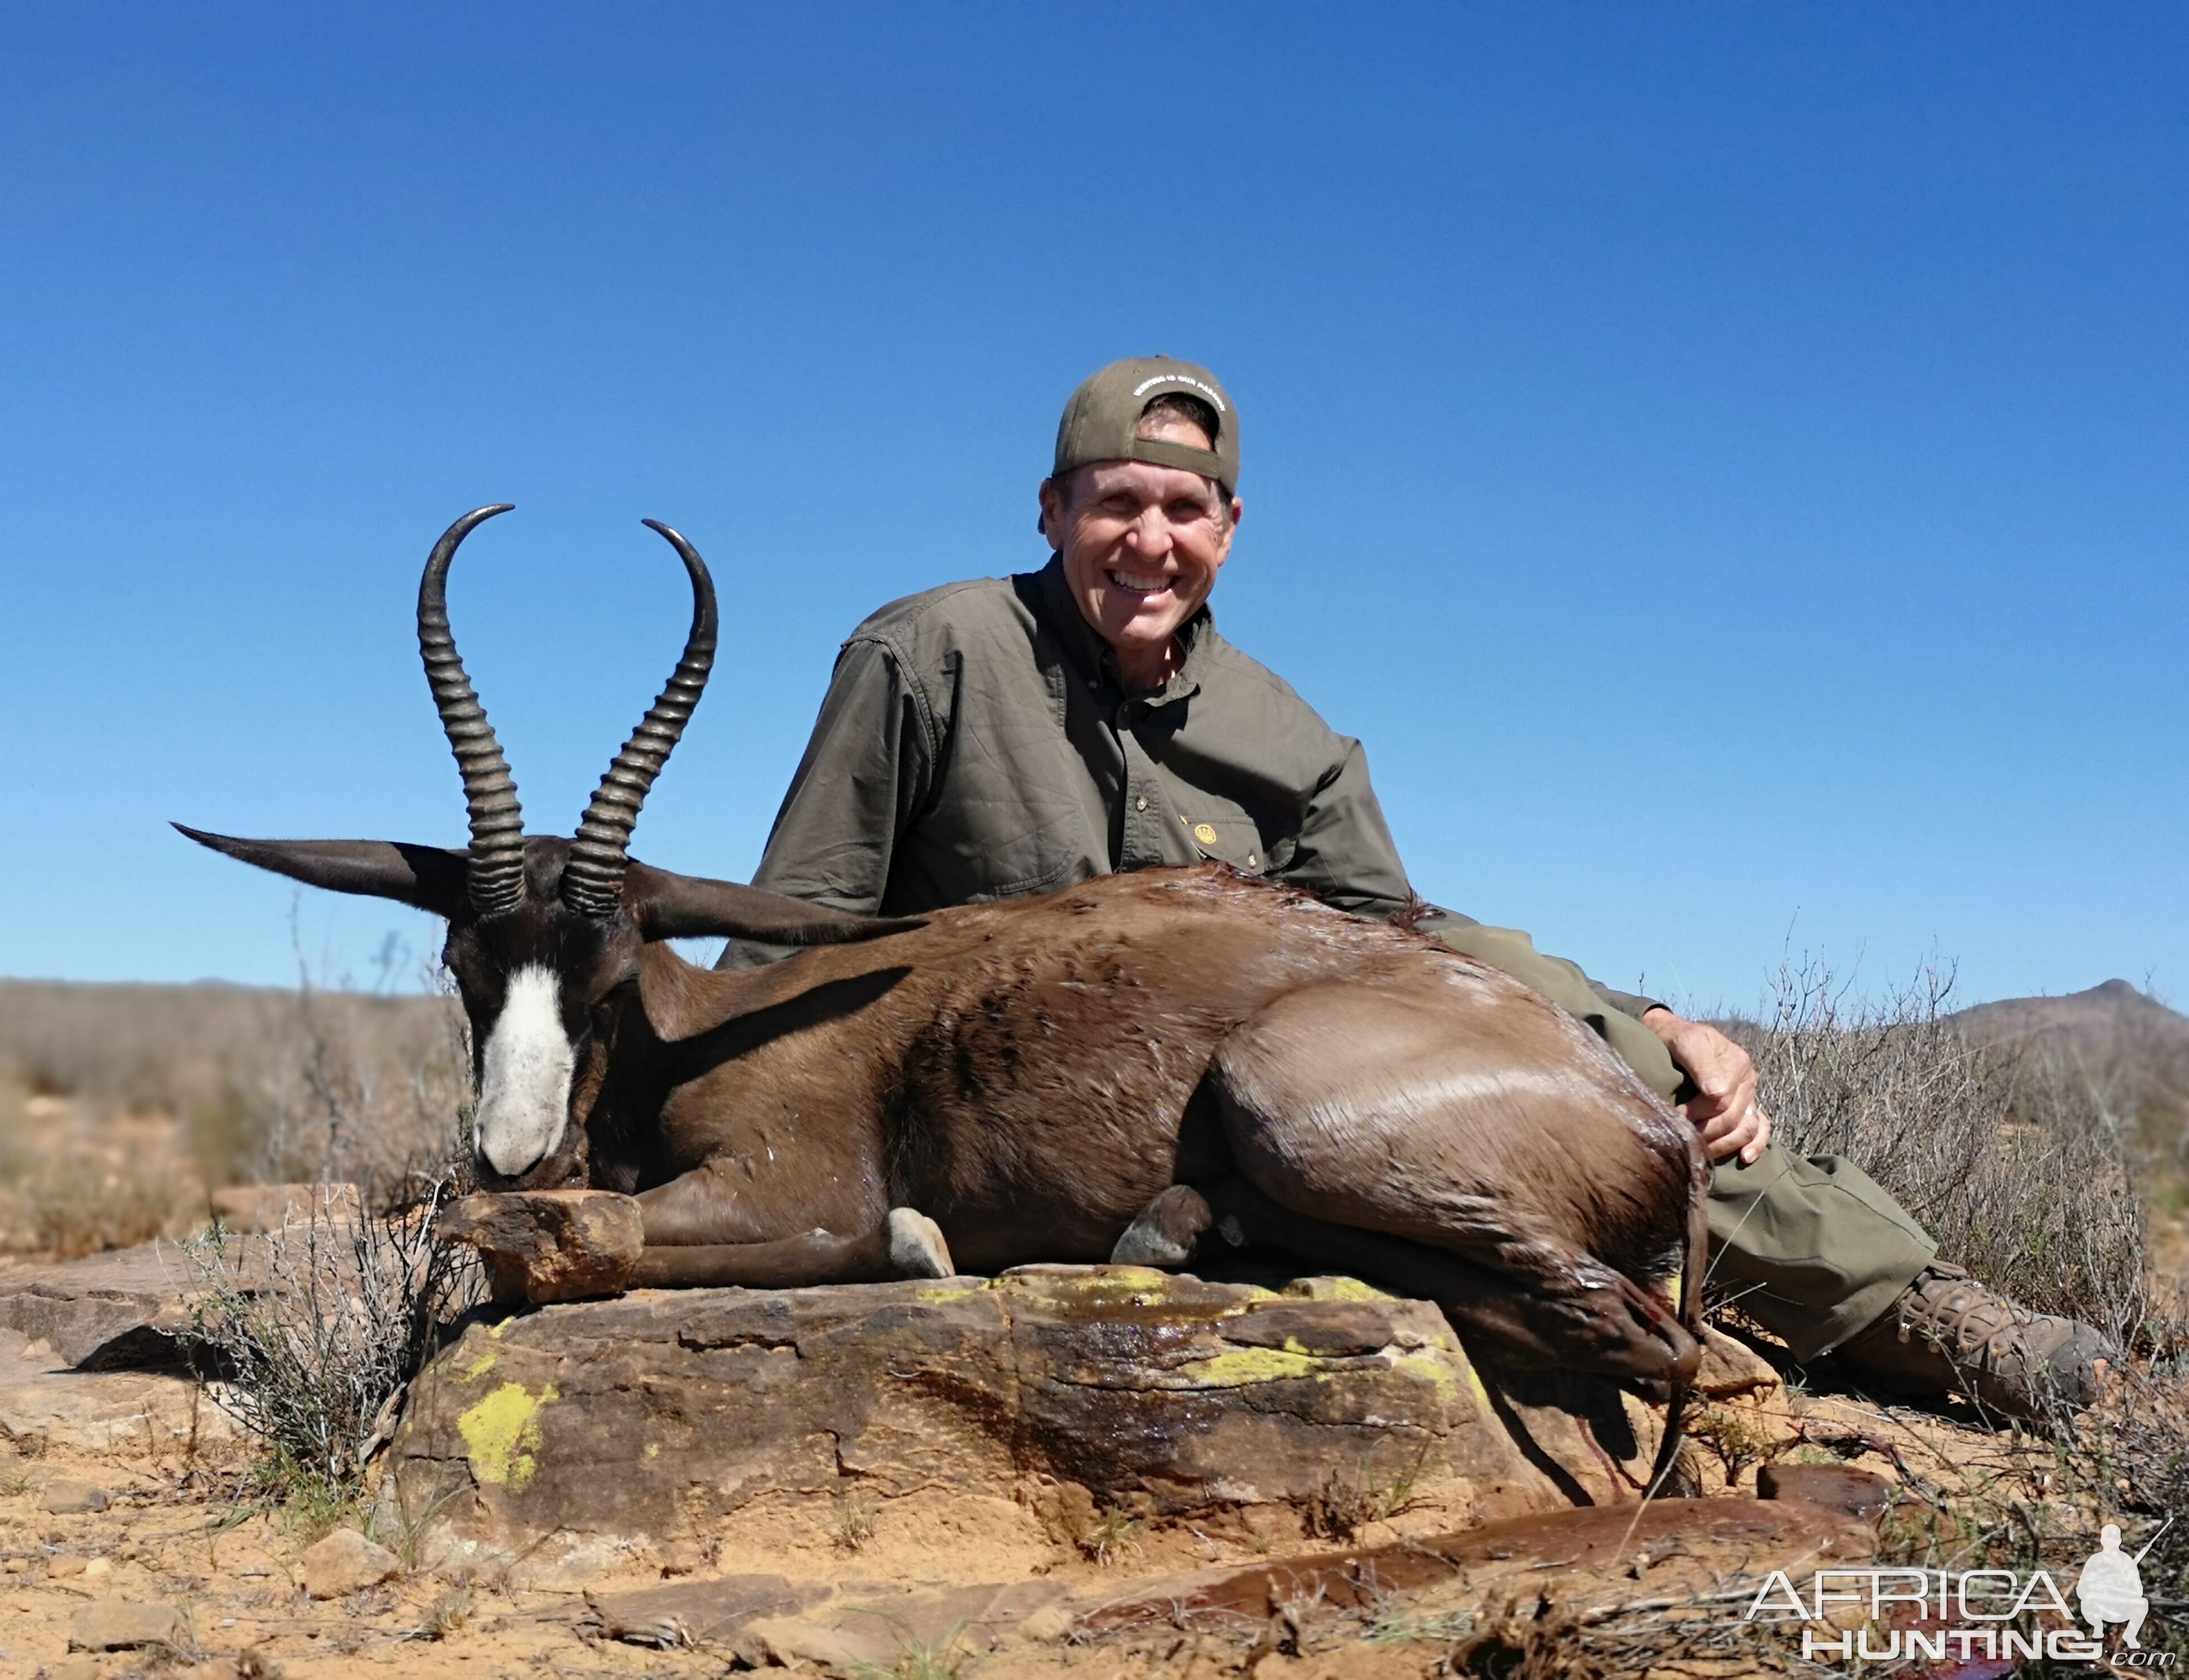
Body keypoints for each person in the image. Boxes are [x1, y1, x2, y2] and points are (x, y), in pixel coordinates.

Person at [720, 354, 2113, 1423]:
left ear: (1230, 526)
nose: (1149, 540)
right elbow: (796, 928)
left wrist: (1649, 1019)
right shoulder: (928, 653)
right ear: (1053, 508)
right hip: (984, 1120)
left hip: (1243, 1110)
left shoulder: (1289, 738)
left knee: (1589, 1077)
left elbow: (1410, 950)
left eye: (1183, 510)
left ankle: (1913, 1309)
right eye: (1117, 503)